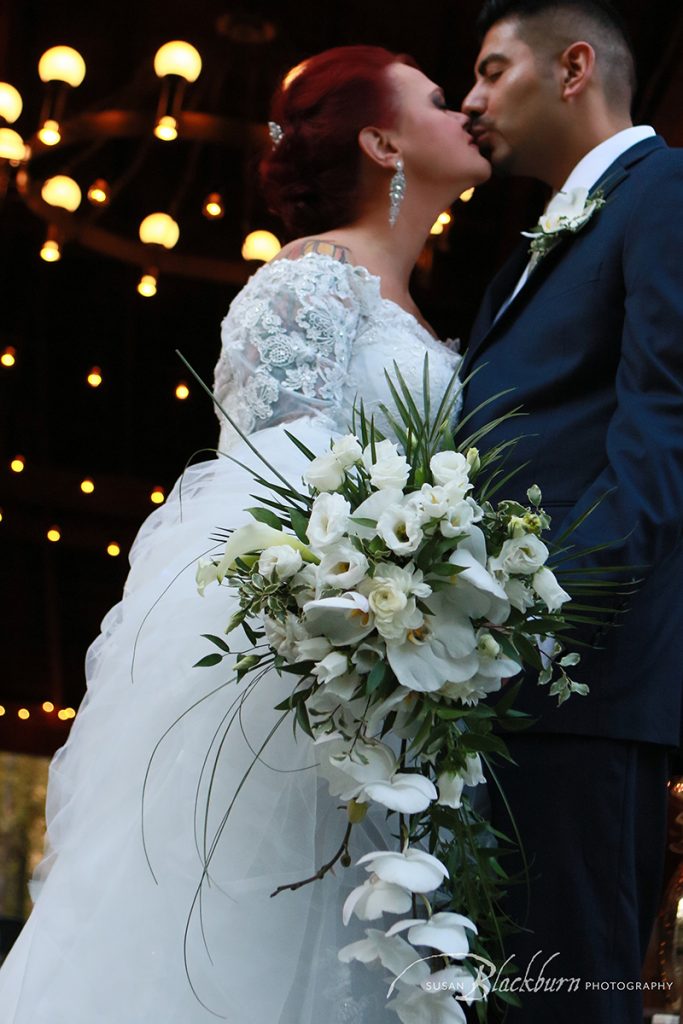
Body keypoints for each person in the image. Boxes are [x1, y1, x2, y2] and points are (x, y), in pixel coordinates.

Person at [0, 46, 491, 1023]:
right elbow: (265, 498)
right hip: (297, 686)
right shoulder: (309, 284)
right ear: (381, 138)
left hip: (399, 691)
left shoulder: (427, 320)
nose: (466, 109)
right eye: (439, 97)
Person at [460, 1, 683, 1021]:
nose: (468, 100)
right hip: (496, 694)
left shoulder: (665, 193)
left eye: (487, 69)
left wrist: (537, 622)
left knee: (570, 995)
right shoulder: (520, 253)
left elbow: (662, 434)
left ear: (571, 67)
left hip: (578, 684)